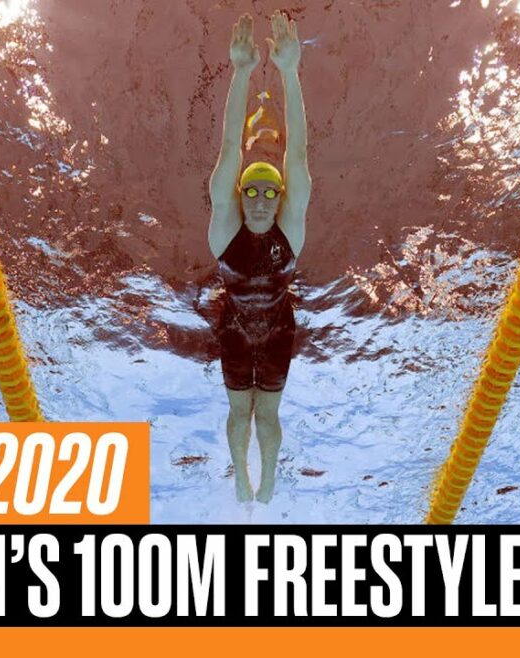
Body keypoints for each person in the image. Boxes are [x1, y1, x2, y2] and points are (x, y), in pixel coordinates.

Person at [208, 10, 311, 503]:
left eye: (271, 193)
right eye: (252, 190)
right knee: (238, 412)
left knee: (266, 414)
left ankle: (267, 476)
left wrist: (290, 72)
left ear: (281, 197)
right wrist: (241, 72)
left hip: (278, 329)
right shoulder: (224, 229)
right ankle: (240, 476)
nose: (261, 200)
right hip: (231, 328)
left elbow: (298, 157)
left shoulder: (290, 229)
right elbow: (231, 146)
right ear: (239, 193)